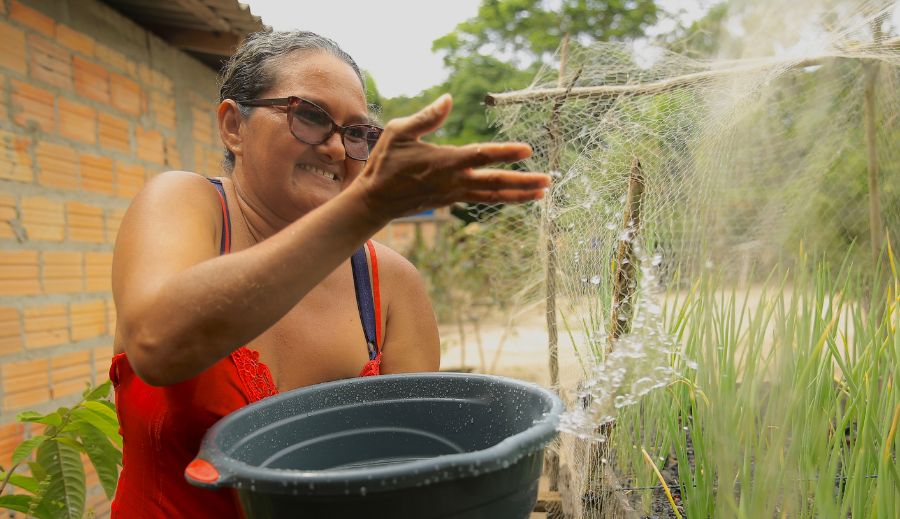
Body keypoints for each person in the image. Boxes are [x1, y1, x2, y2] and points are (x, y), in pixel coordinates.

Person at [108, 30, 548, 518]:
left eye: (357, 133)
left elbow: (414, 469)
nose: (337, 149)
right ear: (234, 125)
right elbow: (158, 343)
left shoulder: (390, 285)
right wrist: (362, 211)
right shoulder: (184, 204)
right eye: (311, 117)